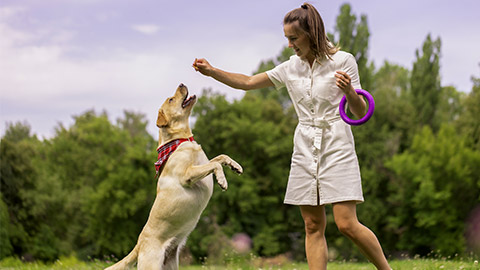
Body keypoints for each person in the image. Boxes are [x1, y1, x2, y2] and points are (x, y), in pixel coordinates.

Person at [193, 3, 391, 270]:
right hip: (305, 146)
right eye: (287, 38)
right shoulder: (290, 67)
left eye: (294, 38)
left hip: (337, 142)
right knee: (312, 225)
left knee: (346, 224)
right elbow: (249, 82)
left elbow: (359, 112)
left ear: (311, 33)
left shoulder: (343, 61)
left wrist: (350, 93)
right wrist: (212, 71)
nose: (289, 45)